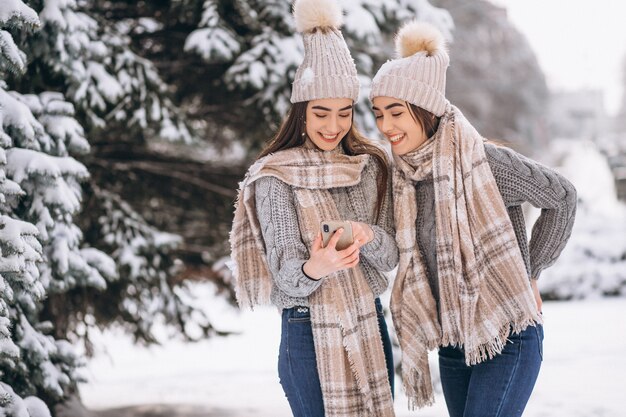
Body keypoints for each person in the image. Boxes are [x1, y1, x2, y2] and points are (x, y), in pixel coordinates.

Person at [369, 21, 577, 417]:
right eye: (379, 114)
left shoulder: (485, 162)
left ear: (424, 108)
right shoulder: (404, 176)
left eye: (396, 112)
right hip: (454, 341)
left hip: (509, 334)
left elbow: (562, 196)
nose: (385, 126)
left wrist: (531, 271)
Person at [229, 1, 398, 415]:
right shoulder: (274, 176)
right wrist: (315, 267)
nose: (333, 125)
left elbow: (391, 255)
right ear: (301, 111)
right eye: (321, 113)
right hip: (306, 330)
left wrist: (367, 234)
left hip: (369, 322)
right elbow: (285, 278)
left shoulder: (369, 165)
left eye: (344, 112)